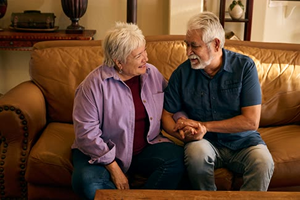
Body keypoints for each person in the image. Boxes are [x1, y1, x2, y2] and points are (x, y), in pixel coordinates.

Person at [71, 22, 185, 199]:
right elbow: (86, 134)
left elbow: (172, 106)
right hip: (101, 152)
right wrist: (113, 167)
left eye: (144, 51)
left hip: (144, 148)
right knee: (86, 181)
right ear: (119, 62)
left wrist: (183, 122)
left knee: (176, 160)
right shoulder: (93, 85)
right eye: (138, 55)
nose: (145, 58)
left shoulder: (152, 73)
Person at [162, 12, 274, 191]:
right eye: (187, 45)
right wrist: (185, 136)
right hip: (204, 142)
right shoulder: (182, 74)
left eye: (194, 46)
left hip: (243, 141)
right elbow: (166, 115)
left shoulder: (245, 67)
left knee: (263, 162)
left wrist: (204, 126)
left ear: (215, 44)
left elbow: (251, 121)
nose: (188, 52)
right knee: (195, 154)